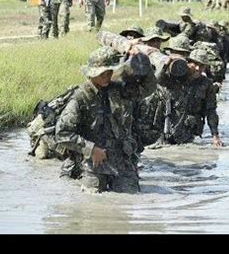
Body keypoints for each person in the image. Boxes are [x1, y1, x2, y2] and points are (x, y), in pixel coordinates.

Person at [55, 46, 156, 194]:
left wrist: (143, 61)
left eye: (110, 72)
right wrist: (91, 149)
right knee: (92, 203)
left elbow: (148, 88)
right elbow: (62, 134)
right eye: (102, 73)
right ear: (92, 73)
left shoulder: (120, 90)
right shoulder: (80, 98)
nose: (107, 76)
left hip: (122, 162)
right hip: (94, 164)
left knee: (129, 200)